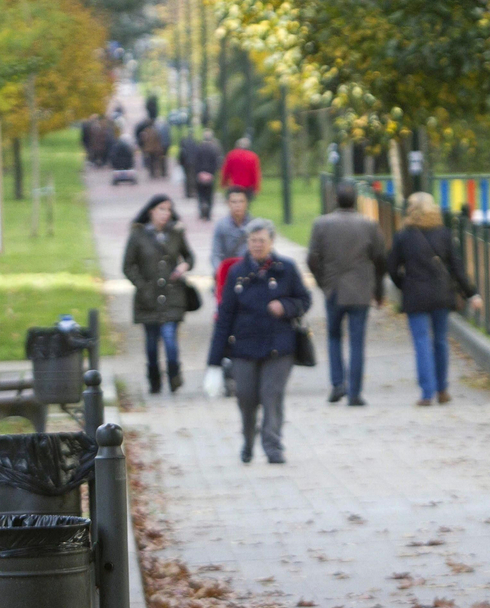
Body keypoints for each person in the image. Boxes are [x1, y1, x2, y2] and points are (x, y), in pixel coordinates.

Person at [207, 218, 310, 464]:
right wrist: (213, 362)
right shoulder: (237, 272)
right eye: (252, 240)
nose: (256, 245)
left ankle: (273, 445)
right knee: (246, 397)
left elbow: (304, 300)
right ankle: (248, 439)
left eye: (261, 240)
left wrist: (285, 306)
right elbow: (225, 316)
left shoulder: (286, 268)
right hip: (244, 347)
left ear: (271, 242)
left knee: (271, 394)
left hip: (279, 346)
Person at [388, 192, 481, 405]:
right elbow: (457, 268)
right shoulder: (444, 234)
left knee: (421, 342)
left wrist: (404, 285)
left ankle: (426, 393)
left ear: (410, 210)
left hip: (416, 295)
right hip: (441, 294)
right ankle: (442, 390)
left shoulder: (404, 236)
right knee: (440, 341)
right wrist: (471, 293)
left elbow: (392, 267)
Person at [307, 181, 386, 406]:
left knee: (333, 337)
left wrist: (323, 283)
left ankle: (337, 383)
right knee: (357, 342)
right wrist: (378, 290)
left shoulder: (321, 224)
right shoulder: (369, 225)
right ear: (356, 201)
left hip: (333, 289)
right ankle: (355, 393)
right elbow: (380, 260)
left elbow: (312, 259)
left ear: (335, 200)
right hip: (360, 291)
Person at [123, 194, 195, 394]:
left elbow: (189, 256)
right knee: (152, 344)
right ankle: (154, 379)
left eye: (169, 210)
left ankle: (174, 375)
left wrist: (183, 266)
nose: (166, 214)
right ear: (151, 211)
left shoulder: (176, 233)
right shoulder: (138, 235)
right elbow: (127, 266)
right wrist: (142, 286)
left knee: (170, 337)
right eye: (161, 209)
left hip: (173, 296)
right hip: (148, 298)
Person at [211, 187, 253, 268]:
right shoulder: (221, 226)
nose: (238, 205)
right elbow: (215, 254)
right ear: (228, 203)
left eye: (241, 201)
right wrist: (220, 271)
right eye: (234, 202)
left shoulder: (254, 225)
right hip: (228, 270)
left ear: (247, 203)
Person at [191, 129, 224, 220]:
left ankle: (202, 211)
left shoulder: (199, 147)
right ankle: (208, 213)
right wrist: (212, 173)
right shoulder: (214, 148)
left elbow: (195, 161)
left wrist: (198, 173)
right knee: (209, 195)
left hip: (200, 174)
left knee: (200, 194)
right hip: (210, 175)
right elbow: (216, 162)